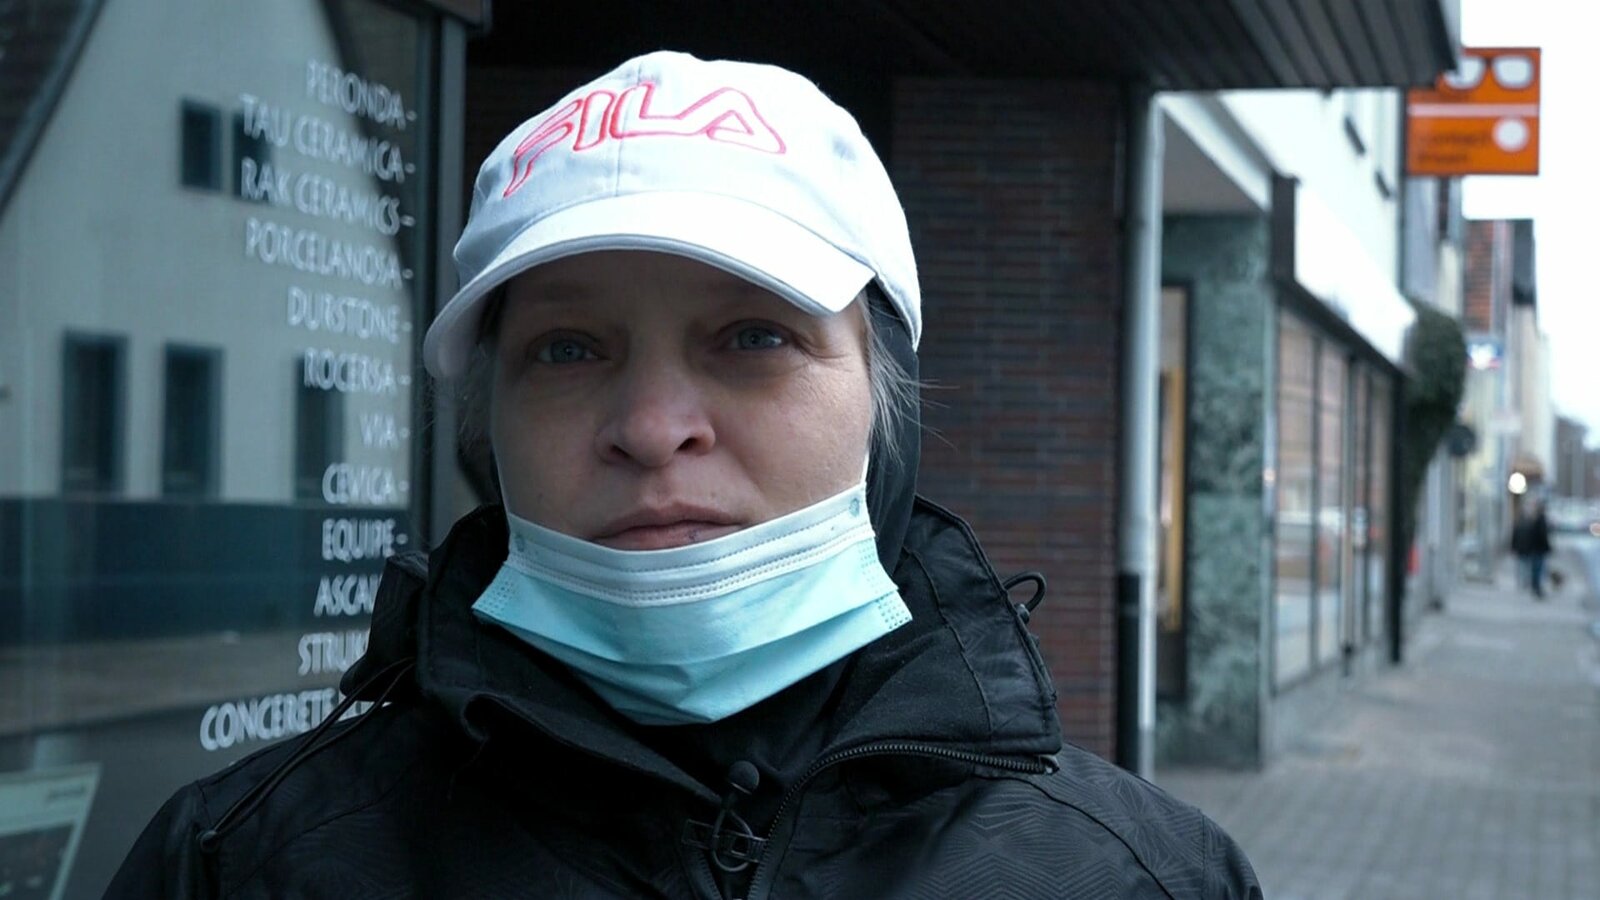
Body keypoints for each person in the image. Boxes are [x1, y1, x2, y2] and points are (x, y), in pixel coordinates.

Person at [107, 52, 1260, 898]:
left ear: (885, 409)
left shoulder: (1144, 877)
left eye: (753, 336)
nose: (653, 429)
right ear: (483, 433)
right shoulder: (239, 867)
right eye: (568, 350)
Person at [1511, 499, 1553, 599]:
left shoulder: (1533, 521)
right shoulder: (1538, 521)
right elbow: (1541, 536)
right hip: (1536, 549)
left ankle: (1528, 583)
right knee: (1535, 569)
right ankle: (1533, 586)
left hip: (1530, 549)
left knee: (1528, 567)